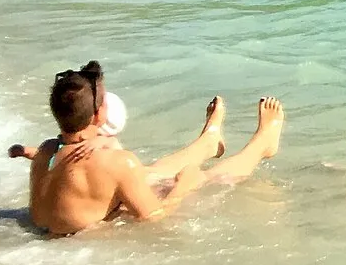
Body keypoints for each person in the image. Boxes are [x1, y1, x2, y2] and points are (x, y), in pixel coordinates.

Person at [18, 62, 286, 237]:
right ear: (100, 115)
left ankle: (208, 142)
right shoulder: (117, 164)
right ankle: (262, 145)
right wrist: (183, 186)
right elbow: (153, 217)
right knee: (202, 179)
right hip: (81, 238)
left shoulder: (46, 151)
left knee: (149, 173)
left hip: (63, 229)